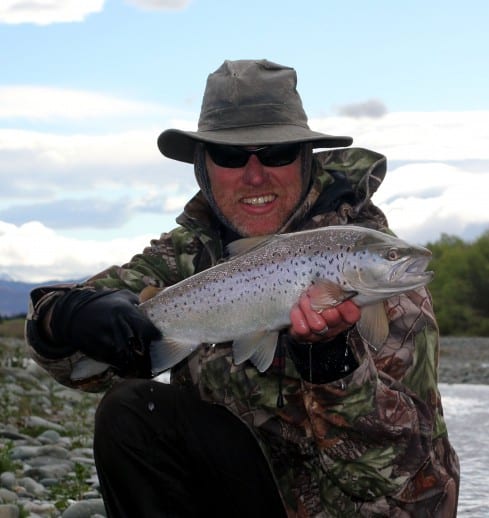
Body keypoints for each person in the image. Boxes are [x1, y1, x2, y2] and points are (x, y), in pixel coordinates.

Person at [25, 59, 459, 517]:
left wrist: (331, 362)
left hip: (362, 506)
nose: (255, 176)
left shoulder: (377, 271)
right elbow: (83, 366)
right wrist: (61, 318)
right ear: (203, 167)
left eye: (276, 153)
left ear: (306, 159)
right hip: (245, 490)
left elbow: (401, 474)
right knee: (132, 411)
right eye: (232, 156)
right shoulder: (188, 255)